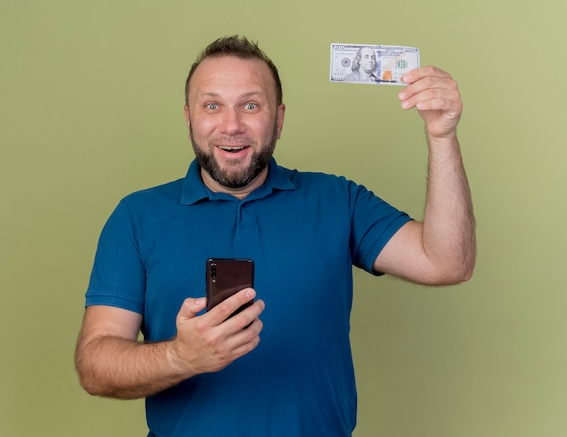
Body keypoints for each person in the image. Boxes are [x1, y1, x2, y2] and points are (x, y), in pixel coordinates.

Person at [75, 35, 475, 436]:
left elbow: (447, 262)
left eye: (251, 105)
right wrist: (181, 357)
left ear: (278, 119)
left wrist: (442, 137)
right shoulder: (137, 217)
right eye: (212, 105)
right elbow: (95, 366)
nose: (231, 125)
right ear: (189, 117)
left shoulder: (337, 200)